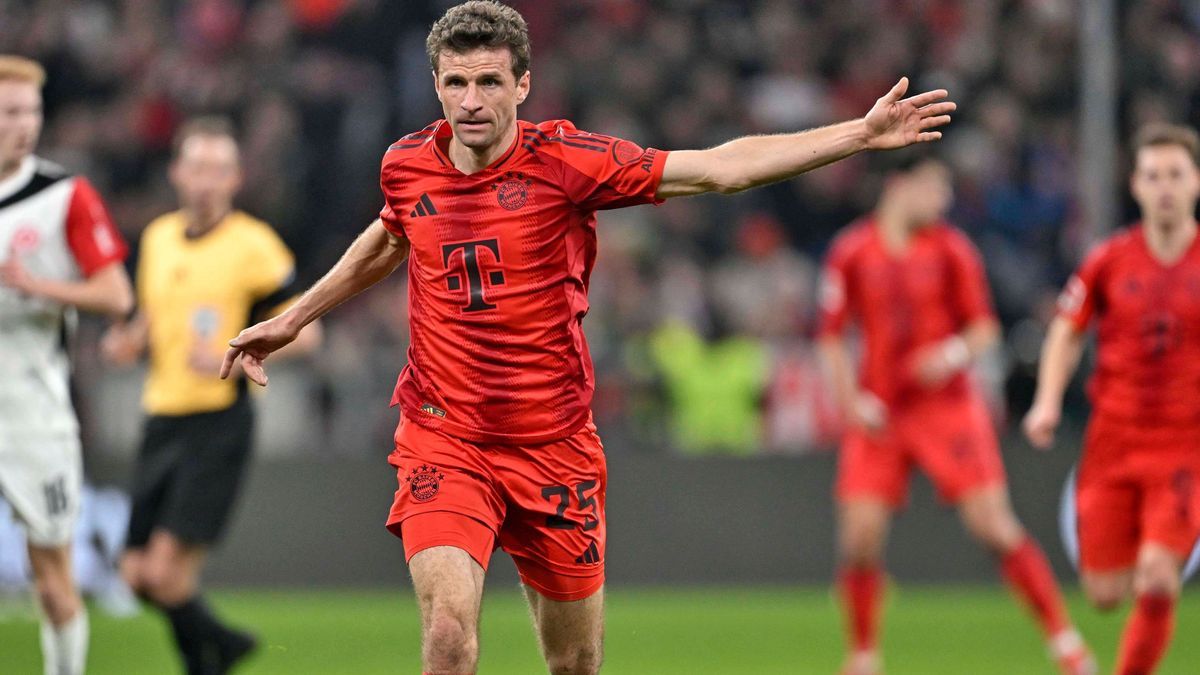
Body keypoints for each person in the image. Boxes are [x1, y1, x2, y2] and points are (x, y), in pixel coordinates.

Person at [219, 2, 955, 672]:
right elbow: (390, 238)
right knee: (448, 636)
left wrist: (855, 135)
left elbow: (717, 171)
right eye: (455, 84)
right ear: (436, 85)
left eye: (488, 82)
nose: (471, 101)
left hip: (554, 444)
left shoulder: (569, 163)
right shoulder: (406, 164)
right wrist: (293, 317)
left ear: (523, 84)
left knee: (574, 663)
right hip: (445, 436)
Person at [816, 155, 1094, 675]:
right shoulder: (851, 251)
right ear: (899, 186)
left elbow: (983, 329)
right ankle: (863, 654)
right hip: (881, 412)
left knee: (994, 526)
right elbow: (829, 335)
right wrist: (849, 401)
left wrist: (946, 356)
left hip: (947, 407)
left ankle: (1067, 644)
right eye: (934, 189)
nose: (942, 202)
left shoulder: (951, 249)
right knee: (858, 539)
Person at [100, 117, 321, 675]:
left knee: (167, 575)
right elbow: (151, 315)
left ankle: (217, 653)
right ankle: (219, 649)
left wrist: (246, 348)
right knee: (134, 575)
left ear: (236, 179)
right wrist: (128, 341)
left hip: (217, 421)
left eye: (218, 169)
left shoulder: (253, 245)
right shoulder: (157, 238)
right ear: (176, 172)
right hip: (162, 416)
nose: (205, 180)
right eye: (196, 167)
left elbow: (310, 332)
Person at [1024, 122, 1200, 675]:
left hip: (1183, 445)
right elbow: (1067, 330)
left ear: (1195, 182)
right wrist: (1048, 401)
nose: (1165, 187)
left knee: (1157, 576)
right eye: (1154, 176)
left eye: (1176, 174)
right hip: (1113, 441)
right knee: (1104, 592)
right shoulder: (1108, 260)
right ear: (1136, 186)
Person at [0, 55, 133, 675]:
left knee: (52, 576)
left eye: (31, 111)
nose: (24, 124)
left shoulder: (63, 196)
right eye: (10, 112)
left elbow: (116, 296)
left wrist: (38, 287)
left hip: (32, 413)